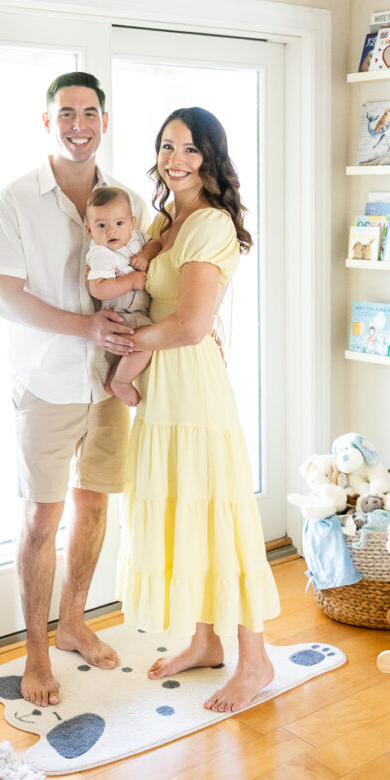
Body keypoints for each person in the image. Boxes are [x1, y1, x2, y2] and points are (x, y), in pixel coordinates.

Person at [0, 71, 148, 707]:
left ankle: (75, 622)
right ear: (47, 122)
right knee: (40, 519)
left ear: (105, 120)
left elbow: (150, 271)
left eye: (90, 112)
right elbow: (2, 296)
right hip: (46, 383)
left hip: (107, 386)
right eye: (66, 113)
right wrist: (86, 325)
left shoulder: (126, 198)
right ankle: (36, 652)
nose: (79, 123)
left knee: (97, 505)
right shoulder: (17, 198)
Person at [117, 106, 281, 713]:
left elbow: (189, 326)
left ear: (210, 157)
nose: (175, 160)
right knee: (185, 513)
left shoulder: (208, 223)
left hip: (193, 390)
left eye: (189, 149)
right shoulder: (165, 217)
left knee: (219, 517)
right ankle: (205, 641)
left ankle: (255, 659)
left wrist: (128, 346)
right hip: (164, 389)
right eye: (166, 147)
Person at [85, 185, 160, 406]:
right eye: (101, 226)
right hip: (121, 314)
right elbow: (97, 288)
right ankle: (122, 382)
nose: (111, 231)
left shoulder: (136, 238)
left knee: (135, 347)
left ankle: (114, 381)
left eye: (119, 223)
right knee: (146, 341)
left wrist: (146, 255)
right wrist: (129, 281)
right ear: (90, 231)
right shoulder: (100, 253)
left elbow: (156, 243)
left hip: (138, 310)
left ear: (132, 223)